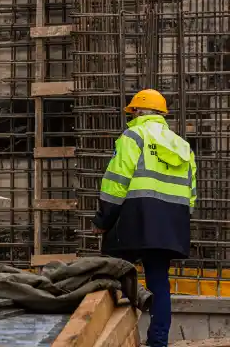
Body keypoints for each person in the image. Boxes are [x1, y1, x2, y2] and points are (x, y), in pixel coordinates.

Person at [92, 89, 196, 347]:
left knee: (116, 277)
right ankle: (158, 342)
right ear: (162, 114)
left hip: (134, 218)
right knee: (159, 282)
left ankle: (110, 337)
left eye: (133, 111)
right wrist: (176, 223)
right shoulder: (182, 146)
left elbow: (116, 183)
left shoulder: (133, 136)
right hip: (170, 224)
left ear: (138, 111)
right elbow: (191, 195)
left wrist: (103, 220)